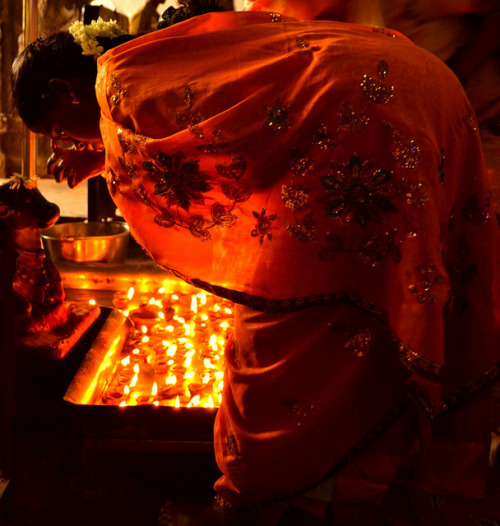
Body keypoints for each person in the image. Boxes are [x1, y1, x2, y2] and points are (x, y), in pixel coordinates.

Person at [11, 2, 500, 524]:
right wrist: (107, 150)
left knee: (277, 331)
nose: (70, 143)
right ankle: (357, 487)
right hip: (420, 86)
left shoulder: (117, 81)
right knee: (377, 306)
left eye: (60, 133)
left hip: (368, 118)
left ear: (65, 91)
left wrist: (113, 150)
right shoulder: (152, 52)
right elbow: (231, 127)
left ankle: (248, 505)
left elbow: (185, 173)